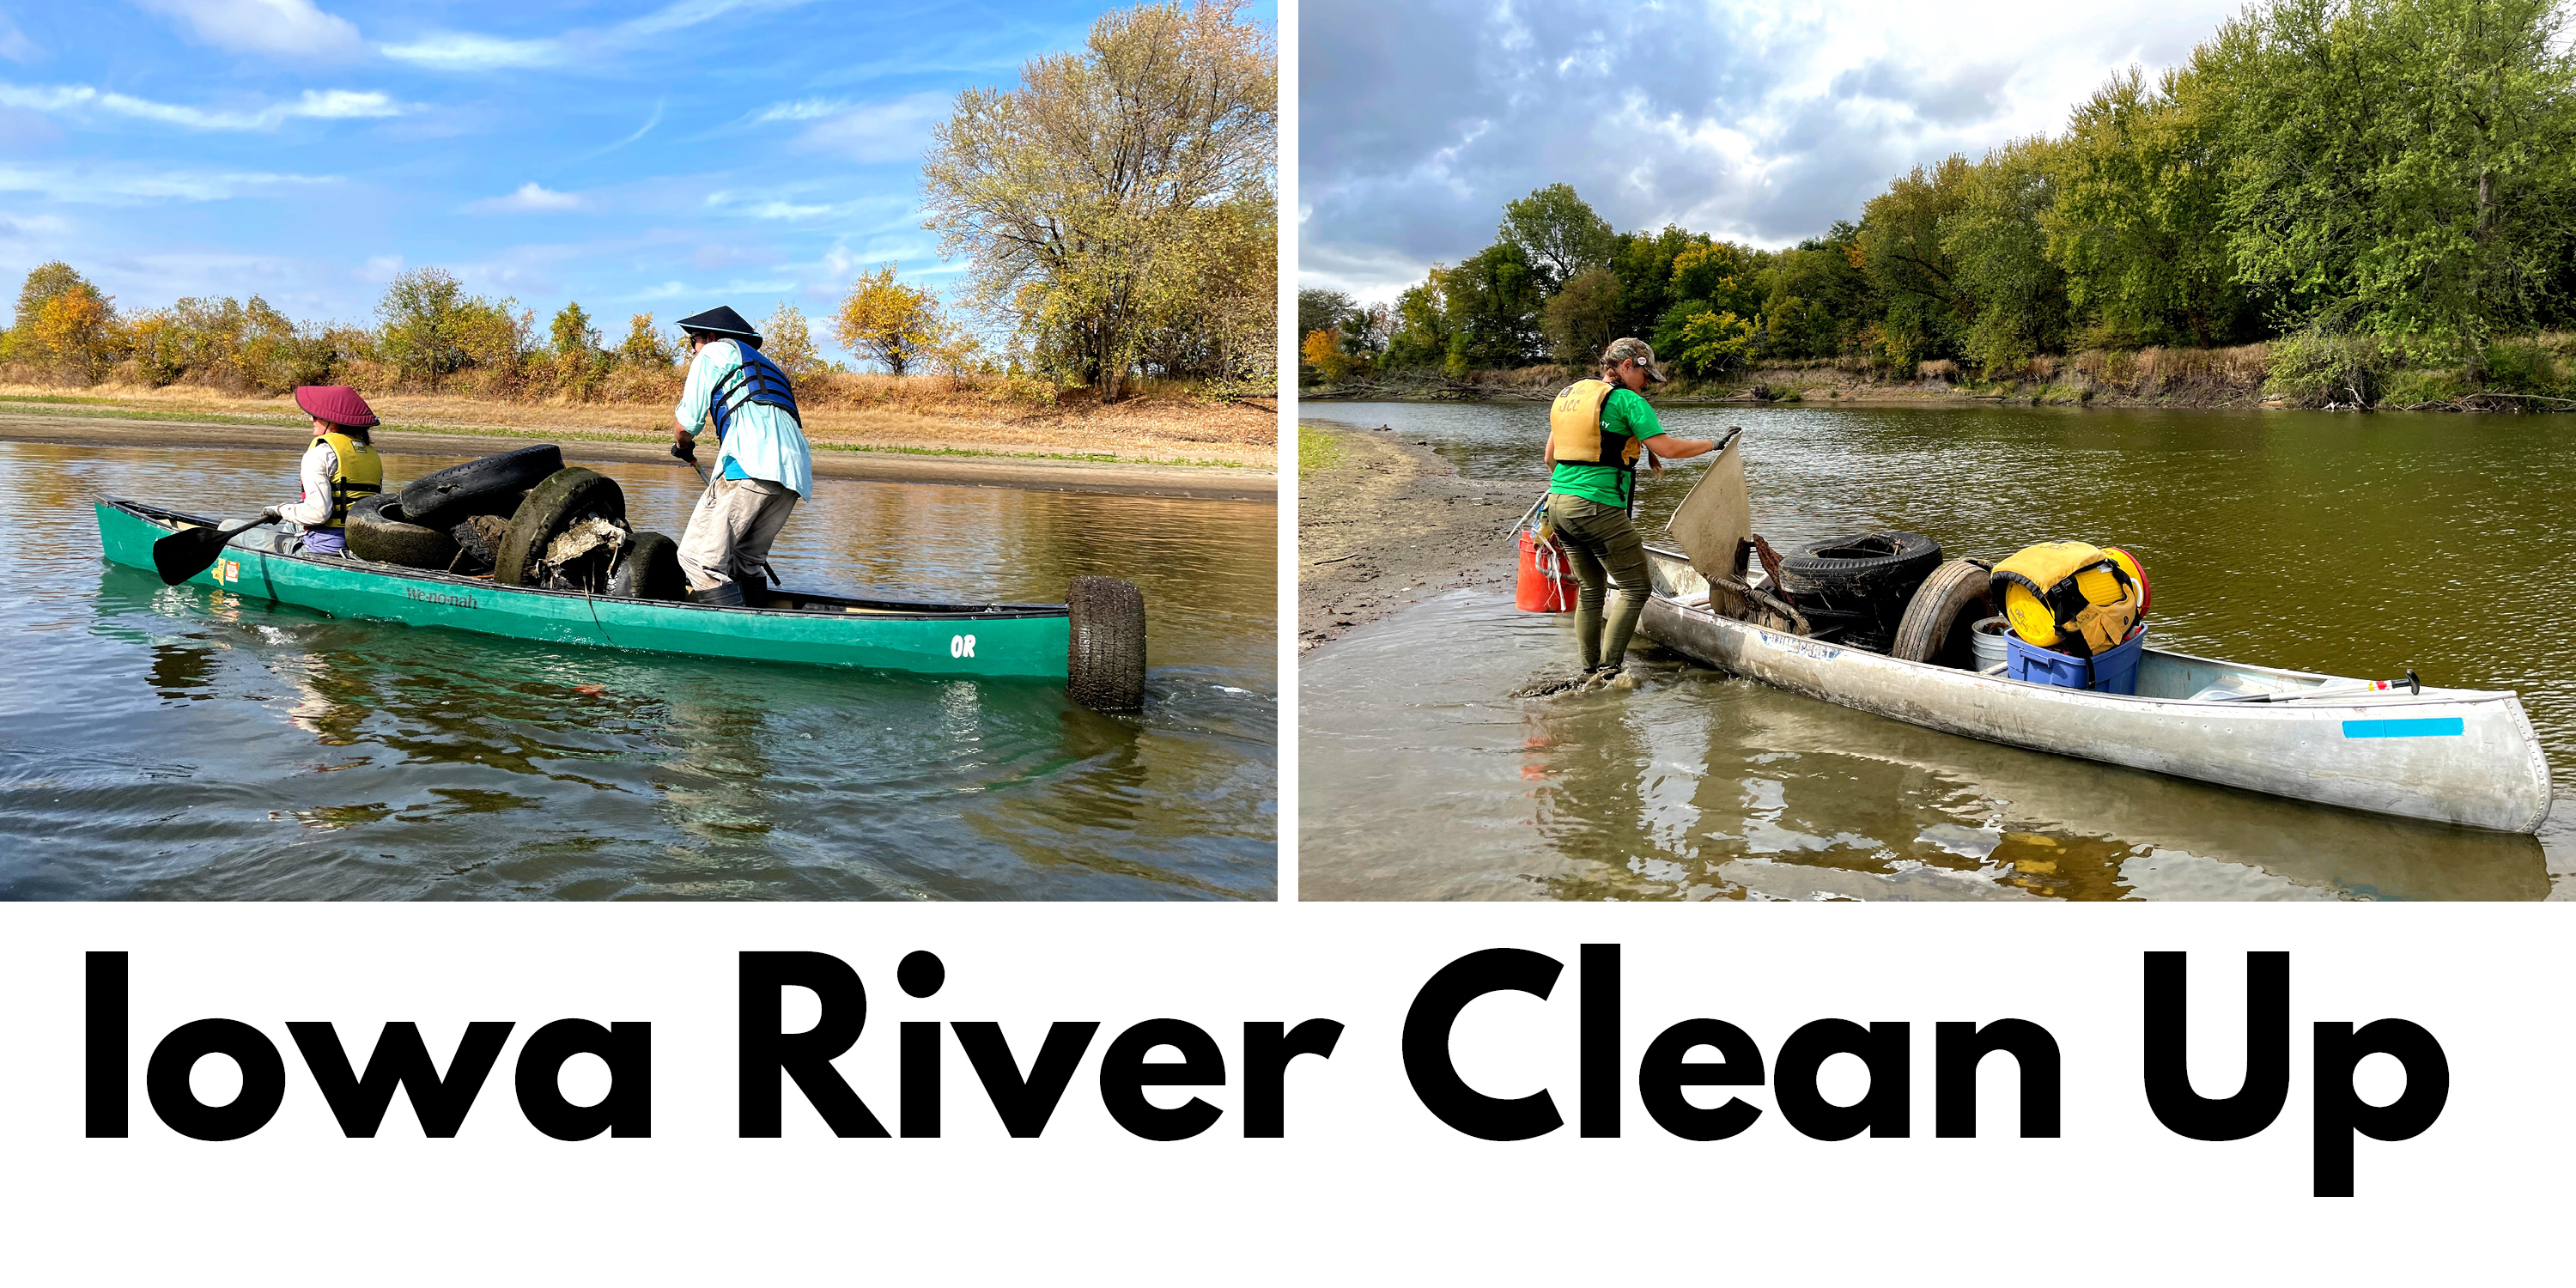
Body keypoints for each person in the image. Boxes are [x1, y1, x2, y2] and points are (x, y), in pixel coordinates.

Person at [1541, 337, 1723, 679]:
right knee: (1636, 588)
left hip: (1558, 506)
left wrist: (1571, 491)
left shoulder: (1570, 398)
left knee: (1592, 589)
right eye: (1646, 375)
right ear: (1627, 366)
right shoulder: (1627, 400)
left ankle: (1588, 670)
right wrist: (1714, 444)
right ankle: (1609, 673)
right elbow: (1667, 449)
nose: (1649, 383)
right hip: (1598, 507)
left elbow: (1549, 457)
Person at [667, 305, 814, 606]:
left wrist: (682, 447)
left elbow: (686, 425)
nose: (693, 351)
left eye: (692, 341)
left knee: (697, 561)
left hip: (749, 465)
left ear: (709, 336)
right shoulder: (770, 367)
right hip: (794, 474)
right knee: (745, 561)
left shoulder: (711, 353)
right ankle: (761, 626)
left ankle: (730, 636)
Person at [260, 386, 383, 556]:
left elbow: (318, 514)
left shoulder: (318, 455)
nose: (312, 419)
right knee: (291, 524)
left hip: (322, 549)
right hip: (359, 545)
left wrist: (280, 510)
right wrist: (286, 512)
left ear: (332, 424)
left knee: (230, 528)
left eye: (316, 416)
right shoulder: (370, 454)